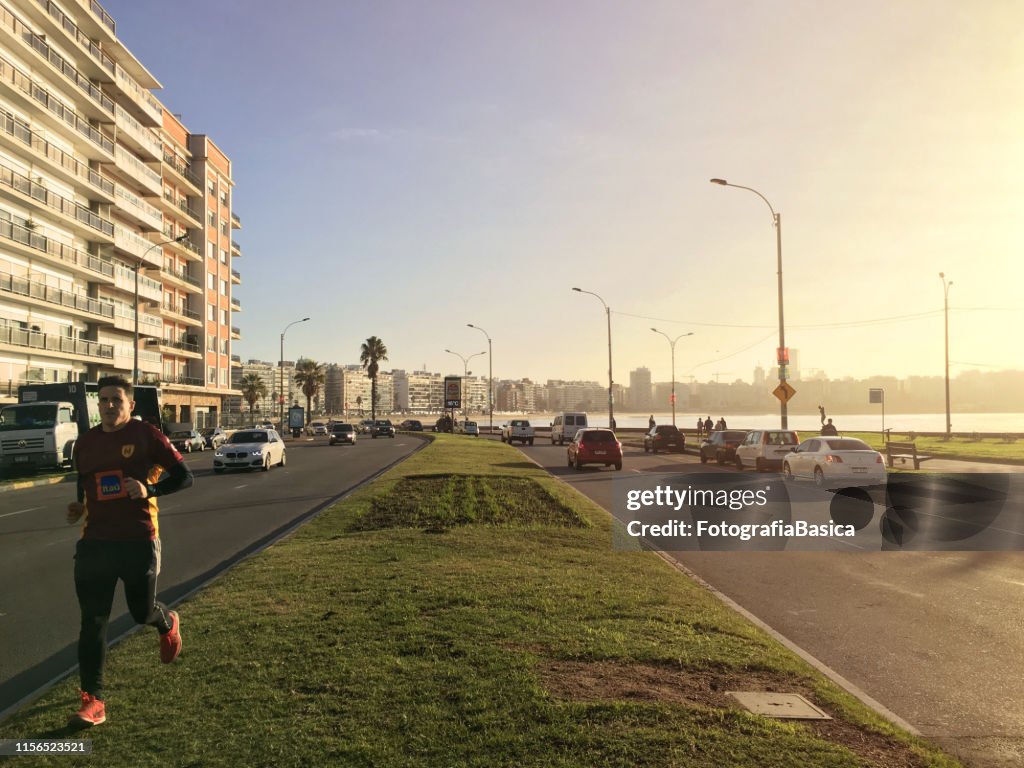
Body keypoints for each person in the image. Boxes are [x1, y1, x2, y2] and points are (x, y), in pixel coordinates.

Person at [66, 376, 194, 728]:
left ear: (131, 404)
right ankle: (93, 701)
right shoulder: (86, 442)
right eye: (103, 400)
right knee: (92, 621)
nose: (109, 406)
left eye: (116, 400)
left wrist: (148, 488)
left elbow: (184, 477)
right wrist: (79, 504)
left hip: (139, 539)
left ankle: (166, 621)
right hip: (94, 542)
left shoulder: (147, 436)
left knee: (141, 612)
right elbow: (85, 481)